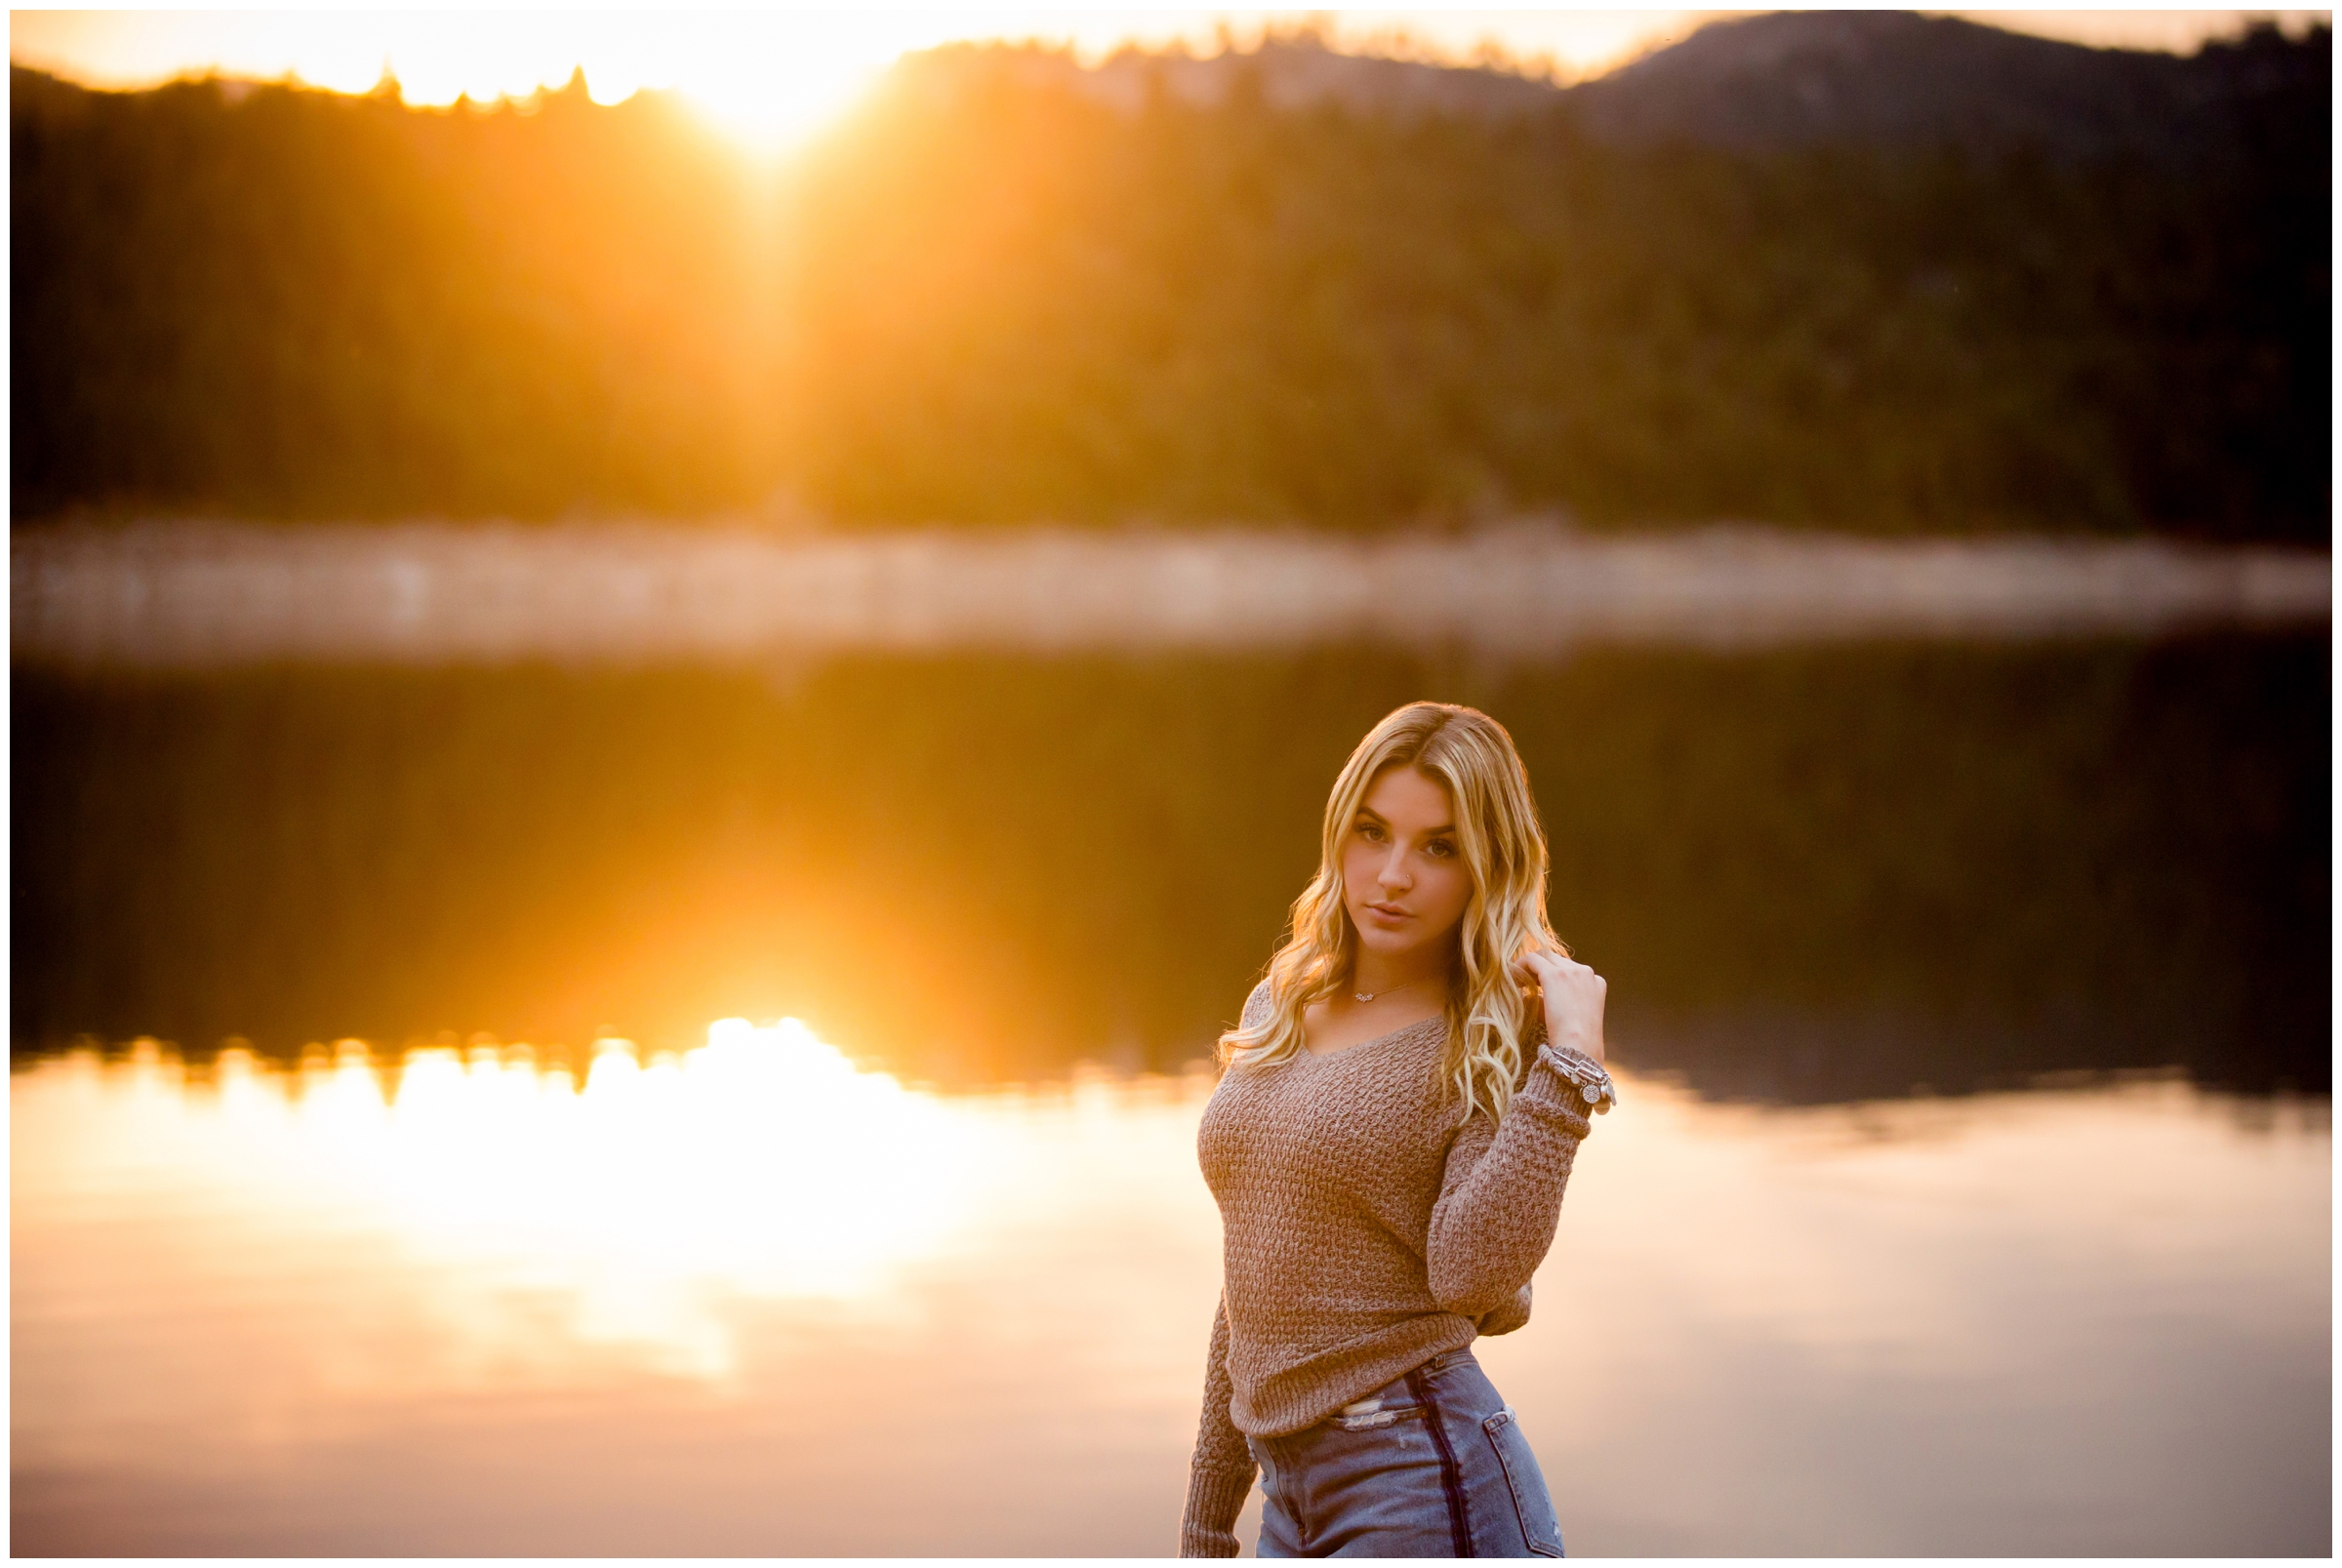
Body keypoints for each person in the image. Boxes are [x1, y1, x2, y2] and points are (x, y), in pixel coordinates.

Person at [1179, 701, 1616, 1558]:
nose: (1391, 874)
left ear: (1486, 865)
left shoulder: (1492, 1035)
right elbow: (1250, 1285)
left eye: (1439, 847)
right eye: (1372, 832)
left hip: (1421, 1480)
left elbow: (1470, 1272)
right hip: (1286, 1494)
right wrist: (1204, 1515)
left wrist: (1569, 1070)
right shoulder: (1280, 1004)